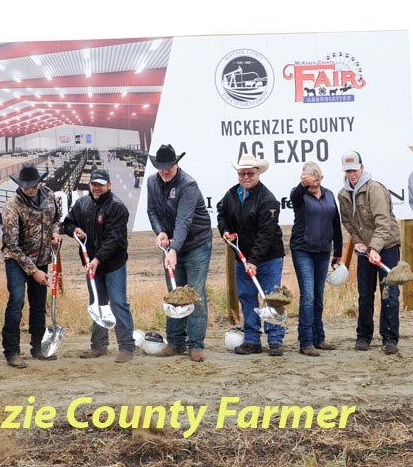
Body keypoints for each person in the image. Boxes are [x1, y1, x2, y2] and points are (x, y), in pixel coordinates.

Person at [146, 144, 212, 362]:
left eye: (169, 167)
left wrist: (173, 250)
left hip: (196, 245)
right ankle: (175, 342)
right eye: (161, 167)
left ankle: (196, 345)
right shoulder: (152, 183)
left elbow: (184, 220)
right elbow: (152, 211)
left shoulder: (188, 184)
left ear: (177, 164)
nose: (165, 171)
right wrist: (160, 231)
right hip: (172, 245)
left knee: (195, 294)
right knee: (174, 292)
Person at [64, 169, 136, 363]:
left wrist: (98, 259)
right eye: (94, 184)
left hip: (113, 264)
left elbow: (114, 239)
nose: (97, 188)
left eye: (101, 185)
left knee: (118, 302)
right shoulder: (81, 204)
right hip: (91, 264)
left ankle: (127, 347)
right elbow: (67, 223)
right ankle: (98, 346)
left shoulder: (117, 207)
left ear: (109, 186)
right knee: (97, 303)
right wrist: (75, 230)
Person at [216, 153, 285, 356]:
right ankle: (252, 340)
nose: (246, 176)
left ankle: (275, 340)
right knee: (247, 297)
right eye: (242, 173)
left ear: (258, 173)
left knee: (272, 298)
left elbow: (266, 234)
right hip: (242, 256)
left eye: (250, 173)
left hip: (269, 257)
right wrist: (225, 230)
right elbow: (221, 212)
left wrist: (254, 261)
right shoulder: (231, 195)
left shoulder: (267, 200)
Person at [337, 151, 401, 355]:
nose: (352, 174)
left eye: (354, 170)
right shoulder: (343, 195)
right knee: (365, 295)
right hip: (366, 251)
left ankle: (390, 337)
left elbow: (384, 223)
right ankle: (363, 336)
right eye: (348, 170)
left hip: (388, 248)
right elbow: (347, 222)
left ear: (362, 168)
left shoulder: (375, 190)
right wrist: (358, 243)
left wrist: (375, 248)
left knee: (389, 294)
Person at [1, 162, 61, 368]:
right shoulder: (12, 207)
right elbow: (12, 245)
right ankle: (12, 351)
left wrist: (55, 231)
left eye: (33, 185)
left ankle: (38, 347)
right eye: (25, 186)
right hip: (16, 260)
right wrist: (33, 271)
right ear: (20, 185)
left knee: (38, 306)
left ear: (39, 182)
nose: (29, 189)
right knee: (16, 302)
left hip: (42, 258)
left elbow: (57, 219)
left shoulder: (50, 196)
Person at [290, 162, 343, 356]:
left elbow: (335, 223)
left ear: (321, 178)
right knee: (308, 296)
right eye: (307, 179)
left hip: (323, 250)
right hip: (302, 249)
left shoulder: (329, 194)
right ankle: (305, 341)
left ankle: (319, 338)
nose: (312, 182)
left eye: (315, 178)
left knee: (318, 296)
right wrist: (302, 185)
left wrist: (338, 250)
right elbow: (294, 196)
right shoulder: (300, 195)